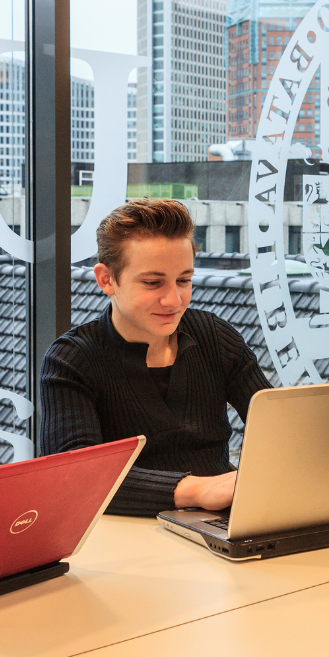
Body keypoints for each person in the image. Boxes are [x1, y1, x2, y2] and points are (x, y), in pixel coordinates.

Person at [39, 199, 271, 516]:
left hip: (219, 524)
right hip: (124, 539)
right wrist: (198, 490)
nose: (174, 299)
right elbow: (72, 478)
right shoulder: (72, 359)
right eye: (152, 282)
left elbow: (280, 427)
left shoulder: (214, 337)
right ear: (106, 279)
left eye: (184, 280)